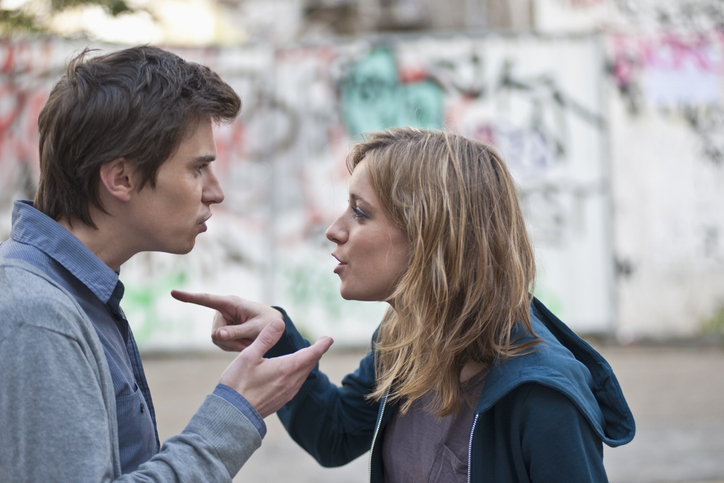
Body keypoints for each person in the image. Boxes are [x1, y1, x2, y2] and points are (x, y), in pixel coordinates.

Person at [174, 127, 636, 482]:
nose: (335, 230)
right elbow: (335, 433)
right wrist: (275, 337)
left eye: (360, 211)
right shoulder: (405, 339)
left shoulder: (541, 396)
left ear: (432, 235)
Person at [0, 46, 333, 482]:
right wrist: (235, 411)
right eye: (198, 169)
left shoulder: (70, 293)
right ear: (121, 178)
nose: (215, 192)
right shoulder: (38, 314)